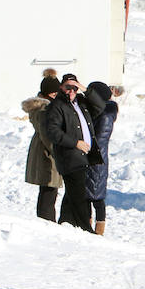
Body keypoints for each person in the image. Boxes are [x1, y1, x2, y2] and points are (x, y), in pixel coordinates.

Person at [43, 75, 106, 233]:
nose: (71, 91)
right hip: (69, 156)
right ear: (61, 88)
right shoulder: (57, 106)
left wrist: (85, 89)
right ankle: (85, 227)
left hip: (84, 156)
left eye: (74, 88)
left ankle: (66, 221)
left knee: (74, 192)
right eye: (67, 87)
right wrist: (75, 143)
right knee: (78, 194)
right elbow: (53, 132)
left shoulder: (81, 103)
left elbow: (100, 106)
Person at [22, 71, 63, 222]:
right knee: (48, 190)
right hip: (47, 156)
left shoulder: (44, 107)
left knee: (49, 190)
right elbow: (48, 137)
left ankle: (46, 221)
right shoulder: (45, 110)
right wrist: (59, 152)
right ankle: (47, 223)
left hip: (44, 153)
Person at [85, 81, 118, 235]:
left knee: (95, 196)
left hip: (96, 157)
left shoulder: (104, 115)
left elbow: (99, 138)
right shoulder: (106, 112)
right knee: (94, 193)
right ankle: (93, 225)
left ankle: (97, 228)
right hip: (98, 157)